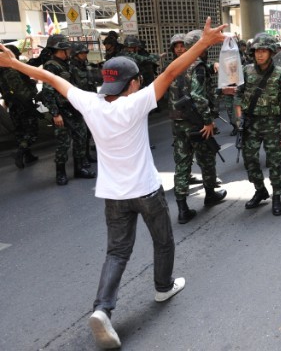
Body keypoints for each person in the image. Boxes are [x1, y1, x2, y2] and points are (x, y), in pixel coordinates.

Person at [0, 18, 228, 349]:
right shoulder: (135, 104)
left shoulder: (90, 102)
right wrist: (204, 43)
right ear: (132, 83)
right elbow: (170, 73)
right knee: (162, 242)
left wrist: (12, 63)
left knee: (117, 252)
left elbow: (47, 77)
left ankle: (103, 310)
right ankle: (163, 286)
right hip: (146, 191)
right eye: (137, 80)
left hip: (113, 196)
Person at [168, 30, 227, 224]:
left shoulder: (176, 64)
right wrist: (208, 121)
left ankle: (182, 208)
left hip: (178, 124)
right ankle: (210, 194)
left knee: (182, 164)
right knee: (206, 158)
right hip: (197, 123)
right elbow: (199, 96)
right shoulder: (198, 67)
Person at [234, 33, 281, 215]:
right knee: (250, 161)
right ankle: (260, 190)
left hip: (271, 125)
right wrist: (238, 118)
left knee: (274, 163)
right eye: (256, 51)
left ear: (271, 52)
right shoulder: (246, 71)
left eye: (263, 51)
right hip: (250, 124)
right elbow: (238, 95)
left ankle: (277, 196)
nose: (259, 55)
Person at [40, 34, 96, 185]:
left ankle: (79, 169)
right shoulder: (51, 66)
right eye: (67, 48)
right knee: (63, 143)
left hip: (74, 108)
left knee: (80, 138)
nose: (70, 51)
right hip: (62, 111)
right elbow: (48, 91)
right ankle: (61, 173)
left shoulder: (67, 64)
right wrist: (55, 113)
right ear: (60, 49)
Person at [0, 45, 40, 168]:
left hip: (12, 105)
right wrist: (33, 87)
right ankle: (21, 152)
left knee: (20, 132)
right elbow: (21, 92)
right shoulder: (11, 71)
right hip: (23, 105)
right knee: (32, 131)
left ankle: (27, 155)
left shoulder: (2, 70)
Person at [69, 42, 99, 164]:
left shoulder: (84, 65)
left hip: (89, 102)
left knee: (87, 132)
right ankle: (80, 160)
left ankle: (86, 155)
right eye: (82, 53)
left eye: (86, 53)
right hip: (78, 103)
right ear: (76, 54)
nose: (85, 55)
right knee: (79, 134)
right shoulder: (71, 68)